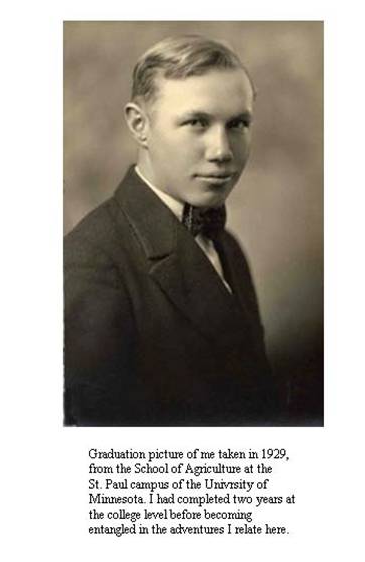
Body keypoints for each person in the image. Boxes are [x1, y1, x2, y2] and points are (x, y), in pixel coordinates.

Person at [64, 34, 279, 426]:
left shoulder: (225, 244)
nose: (222, 150)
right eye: (196, 122)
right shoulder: (91, 263)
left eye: (238, 124)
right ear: (139, 125)